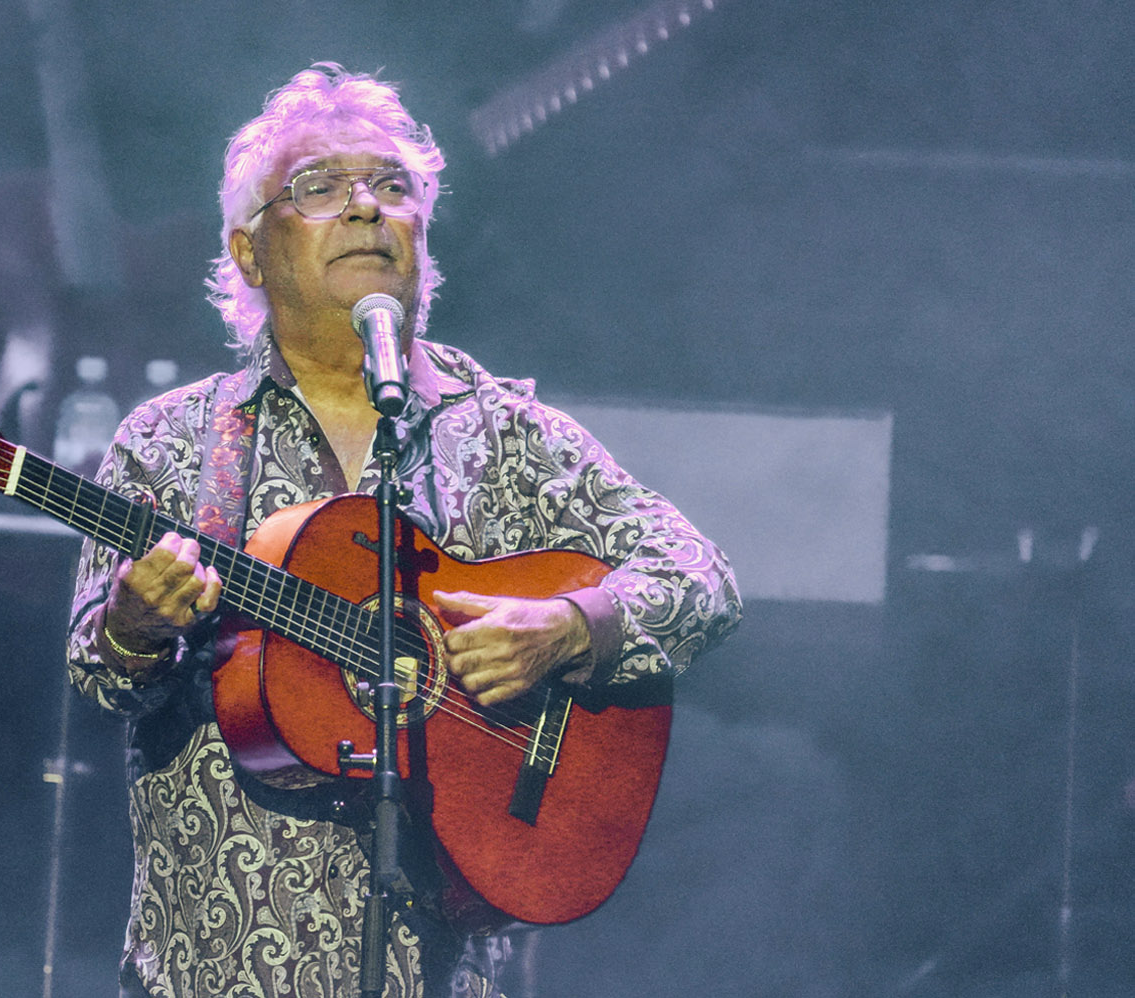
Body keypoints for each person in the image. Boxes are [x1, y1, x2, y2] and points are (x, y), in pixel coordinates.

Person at [66, 63, 742, 998]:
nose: (363, 208)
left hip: (444, 970)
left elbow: (700, 575)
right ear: (251, 251)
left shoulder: (507, 431)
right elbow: (97, 678)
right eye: (316, 187)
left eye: (392, 185)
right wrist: (131, 631)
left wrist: (572, 628)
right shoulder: (174, 439)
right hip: (215, 962)